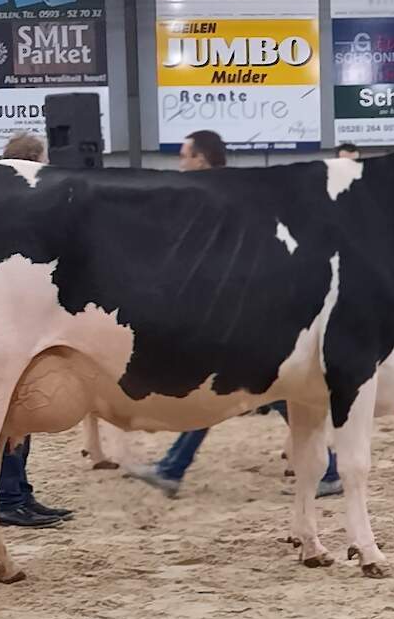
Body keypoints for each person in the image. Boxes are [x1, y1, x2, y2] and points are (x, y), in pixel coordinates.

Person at [127, 131, 343, 498]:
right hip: (238, 305)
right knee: (262, 390)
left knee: (226, 386)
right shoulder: (222, 192)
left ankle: (173, 468)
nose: (181, 163)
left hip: (244, 306)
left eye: (185, 156)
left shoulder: (218, 194)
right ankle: (329, 472)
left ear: (202, 158)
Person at [0, 132, 73, 528]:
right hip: (10, 314)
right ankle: (7, 497)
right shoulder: (20, 197)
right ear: (35, 159)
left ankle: (19, 492)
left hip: (19, 312)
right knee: (8, 405)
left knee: (20, 404)